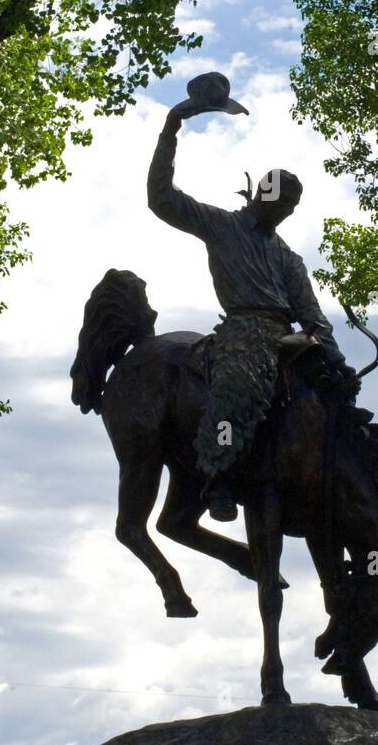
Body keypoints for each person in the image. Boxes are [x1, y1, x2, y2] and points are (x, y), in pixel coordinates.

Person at [147, 83, 359, 522]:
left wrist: (320, 345)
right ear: (262, 194)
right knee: (240, 385)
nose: (286, 210)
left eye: (293, 205)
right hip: (244, 333)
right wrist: (170, 132)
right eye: (281, 200)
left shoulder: (289, 258)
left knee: (340, 395)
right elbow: (163, 200)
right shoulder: (222, 226)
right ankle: (218, 473)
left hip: (289, 338)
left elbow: (314, 315)